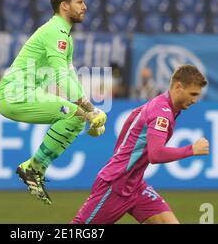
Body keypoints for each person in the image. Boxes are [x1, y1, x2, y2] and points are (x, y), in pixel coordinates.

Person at [0, 0, 107, 205]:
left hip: (20, 94)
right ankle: (33, 168)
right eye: (80, 2)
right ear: (65, 6)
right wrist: (91, 110)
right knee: (75, 114)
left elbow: (70, 75)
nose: (85, 6)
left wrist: (89, 111)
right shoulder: (56, 32)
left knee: (76, 118)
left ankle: (35, 169)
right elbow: (61, 77)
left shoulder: (64, 36)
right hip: (14, 93)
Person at [72, 65, 209, 224]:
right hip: (116, 185)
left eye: (197, 95)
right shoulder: (161, 112)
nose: (195, 100)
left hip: (135, 185)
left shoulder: (161, 105)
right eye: (192, 94)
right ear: (178, 87)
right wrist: (191, 149)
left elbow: (131, 121)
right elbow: (155, 154)